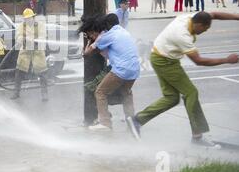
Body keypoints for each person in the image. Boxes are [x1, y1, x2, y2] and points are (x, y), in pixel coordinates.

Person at [127, 12, 239, 146]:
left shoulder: (191, 17)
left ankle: (137, 120)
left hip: (161, 56)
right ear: (198, 24)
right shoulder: (182, 35)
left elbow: (215, 14)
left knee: (172, 98)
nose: (205, 31)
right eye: (205, 28)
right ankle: (197, 136)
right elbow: (199, 61)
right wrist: (226, 60)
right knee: (191, 92)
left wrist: (237, 17)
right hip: (165, 61)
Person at [84, 13, 140, 131]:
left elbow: (88, 53)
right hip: (135, 70)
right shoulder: (124, 32)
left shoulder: (109, 35)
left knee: (100, 92)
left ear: (108, 25)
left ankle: (105, 123)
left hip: (121, 70)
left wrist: (89, 41)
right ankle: (131, 120)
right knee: (126, 93)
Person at [78, 14, 124, 127]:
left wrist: (88, 41)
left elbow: (86, 53)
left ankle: (104, 120)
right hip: (115, 66)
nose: (89, 36)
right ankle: (113, 115)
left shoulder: (101, 37)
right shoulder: (103, 35)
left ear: (93, 31)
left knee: (95, 90)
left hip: (115, 68)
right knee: (99, 90)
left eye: (88, 34)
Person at [11, 8, 48, 101]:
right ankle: (16, 92)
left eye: (30, 18)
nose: (28, 20)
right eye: (26, 18)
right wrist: (22, 39)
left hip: (37, 52)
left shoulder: (40, 25)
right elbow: (18, 36)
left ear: (33, 17)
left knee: (42, 73)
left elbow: (43, 36)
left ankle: (44, 94)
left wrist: (35, 40)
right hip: (25, 52)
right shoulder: (21, 26)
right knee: (19, 72)